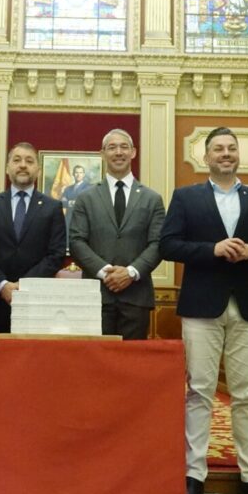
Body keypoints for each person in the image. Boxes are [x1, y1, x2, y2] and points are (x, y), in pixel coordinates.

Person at [160, 126, 248, 494]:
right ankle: (193, 474)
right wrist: (212, 248)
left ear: (238, 154)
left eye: (232, 148)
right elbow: (168, 245)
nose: (226, 154)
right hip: (201, 305)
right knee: (199, 391)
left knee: (247, 393)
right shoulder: (186, 197)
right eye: (218, 149)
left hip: (247, 306)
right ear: (206, 156)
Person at [68, 129, 165, 340]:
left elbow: (158, 243)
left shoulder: (152, 199)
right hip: (96, 296)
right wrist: (106, 273)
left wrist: (130, 273)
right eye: (112, 147)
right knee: (95, 367)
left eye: (124, 147)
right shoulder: (86, 198)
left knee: (132, 367)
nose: (118, 152)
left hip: (136, 297)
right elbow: (76, 242)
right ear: (102, 154)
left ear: (133, 152)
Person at [0, 143, 66, 337]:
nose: (23, 165)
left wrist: (25, 286)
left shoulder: (53, 207)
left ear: (38, 170)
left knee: (33, 365)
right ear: (7, 168)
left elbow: (55, 255)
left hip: (37, 302)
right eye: (17, 160)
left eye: (29, 161)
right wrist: (2, 285)